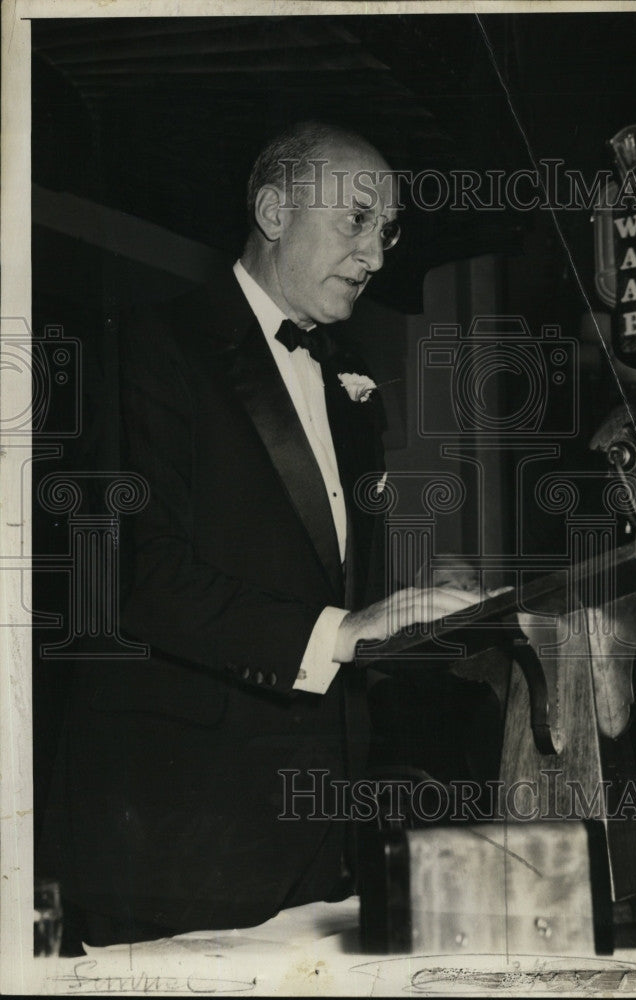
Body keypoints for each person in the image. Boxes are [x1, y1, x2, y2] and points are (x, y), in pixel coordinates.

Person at [40, 121, 479, 948]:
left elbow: (310, 578)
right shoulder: (142, 346)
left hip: (316, 827)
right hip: (175, 832)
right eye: (354, 221)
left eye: (386, 231)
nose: (377, 254)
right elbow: (131, 572)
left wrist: (417, 605)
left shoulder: (352, 387)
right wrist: (343, 630)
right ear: (273, 211)